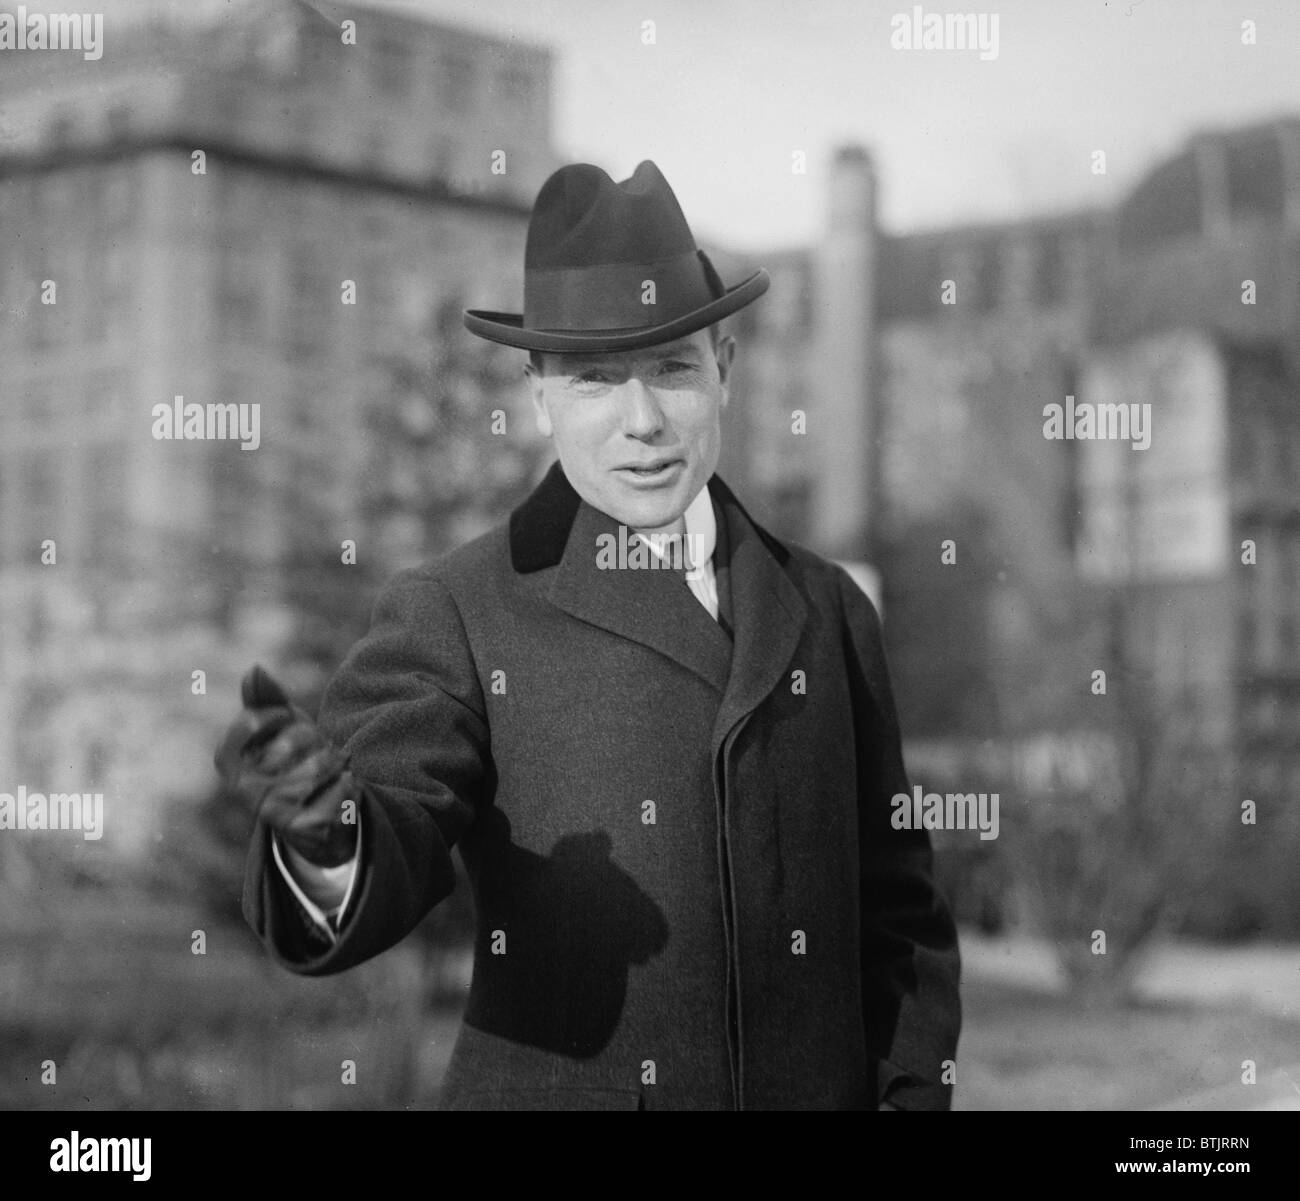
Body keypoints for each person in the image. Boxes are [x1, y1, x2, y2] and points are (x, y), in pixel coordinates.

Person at [216, 159, 961, 1111]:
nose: (642, 421)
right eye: (596, 380)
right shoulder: (459, 609)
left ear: (723, 371)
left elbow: (900, 905)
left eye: (672, 370)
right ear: (540, 399)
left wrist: (908, 1096)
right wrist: (328, 834)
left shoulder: (826, 607)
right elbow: (388, 833)